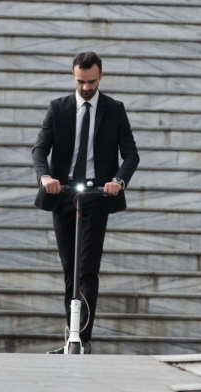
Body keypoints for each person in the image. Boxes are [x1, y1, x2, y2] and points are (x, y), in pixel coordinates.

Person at [31, 52, 140, 354]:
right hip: (62, 194)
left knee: (87, 269)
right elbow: (40, 151)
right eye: (81, 82)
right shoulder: (59, 108)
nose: (86, 87)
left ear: (101, 76)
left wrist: (117, 181)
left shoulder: (114, 110)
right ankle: (70, 336)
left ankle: (83, 337)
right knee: (70, 269)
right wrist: (45, 178)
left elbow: (131, 154)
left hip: (96, 197)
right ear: (73, 76)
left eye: (91, 82)